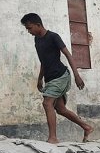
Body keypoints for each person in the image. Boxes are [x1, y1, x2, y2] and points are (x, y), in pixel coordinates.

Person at [21, 13, 93, 144]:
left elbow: (68, 55)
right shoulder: (37, 40)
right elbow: (44, 61)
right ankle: (86, 127)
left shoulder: (53, 37)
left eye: (30, 28)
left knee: (47, 103)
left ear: (38, 25)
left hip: (60, 76)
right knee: (60, 109)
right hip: (50, 79)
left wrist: (77, 75)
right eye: (27, 29)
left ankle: (53, 138)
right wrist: (40, 78)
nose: (28, 31)